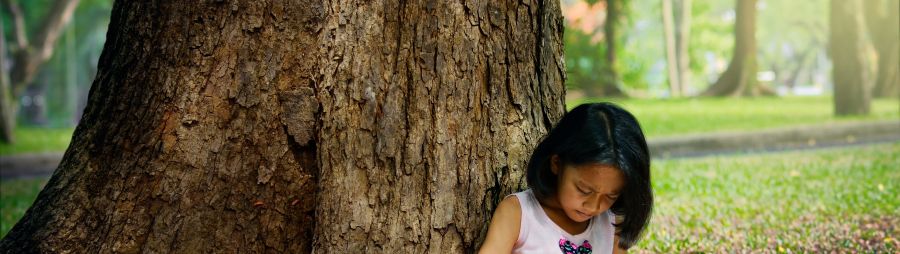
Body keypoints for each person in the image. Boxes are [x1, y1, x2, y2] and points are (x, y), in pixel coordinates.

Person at [480, 102, 653, 254]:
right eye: (584, 190)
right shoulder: (518, 214)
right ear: (556, 163)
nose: (594, 206)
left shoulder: (612, 224)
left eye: (611, 196)